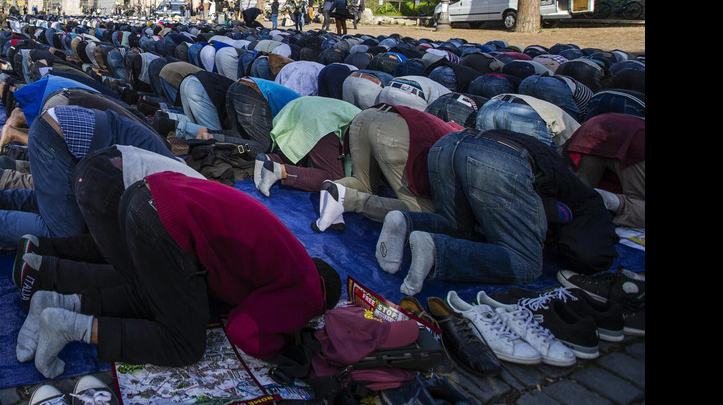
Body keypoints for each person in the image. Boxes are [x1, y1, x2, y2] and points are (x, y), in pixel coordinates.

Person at [14, 167, 342, 376]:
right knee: (184, 343)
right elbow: (247, 333)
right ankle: (70, 326)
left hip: (147, 193)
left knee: (157, 298)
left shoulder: (289, 260)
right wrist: (286, 342)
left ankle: (56, 303)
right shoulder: (310, 289)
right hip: (163, 218)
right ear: (322, 300)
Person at [375, 128, 618, 297]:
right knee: (526, 264)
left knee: (456, 226)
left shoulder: (555, 166)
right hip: (497, 160)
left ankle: (406, 222)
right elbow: (590, 251)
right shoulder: (585, 202)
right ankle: (438, 252)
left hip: (448, 144)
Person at [0, 104, 175, 248]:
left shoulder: (167, 163)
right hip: (59, 138)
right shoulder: (170, 178)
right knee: (64, 232)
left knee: (65, 205)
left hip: (60, 127)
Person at [313, 105, 460, 232]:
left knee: (362, 183)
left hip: (366, 116)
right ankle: (347, 199)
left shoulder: (446, 126)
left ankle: (335, 189)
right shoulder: (456, 141)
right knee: (420, 211)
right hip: (394, 131)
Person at [254, 96, 361, 196]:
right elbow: (350, 160)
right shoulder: (369, 130)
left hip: (299, 107)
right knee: (336, 179)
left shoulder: (363, 115)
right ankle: (281, 171)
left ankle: (269, 159)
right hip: (321, 120)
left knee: (302, 153)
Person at [562, 113, 645, 228]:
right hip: (635, 137)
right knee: (638, 205)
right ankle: (612, 201)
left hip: (596, 126)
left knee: (577, 201)